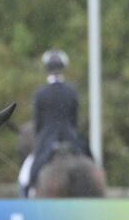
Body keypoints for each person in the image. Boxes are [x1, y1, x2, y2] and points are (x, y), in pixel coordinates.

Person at [23, 49, 86, 196]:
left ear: (47, 69)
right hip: (70, 136)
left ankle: (30, 190)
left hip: (47, 138)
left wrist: (39, 138)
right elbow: (74, 120)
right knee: (90, 158)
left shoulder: (40, 93)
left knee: (31, 171)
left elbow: (38, 122)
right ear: (63, 68)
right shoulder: (72, 91)